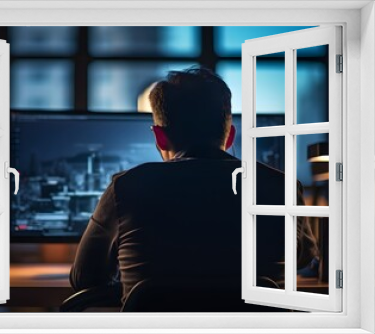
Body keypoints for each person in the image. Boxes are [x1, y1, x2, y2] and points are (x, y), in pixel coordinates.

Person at [69, 67, 318, 311]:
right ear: (229, 136)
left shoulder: (125, 187)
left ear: (159, 137)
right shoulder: (281, 187)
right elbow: (302, 258)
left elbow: (84, 279)